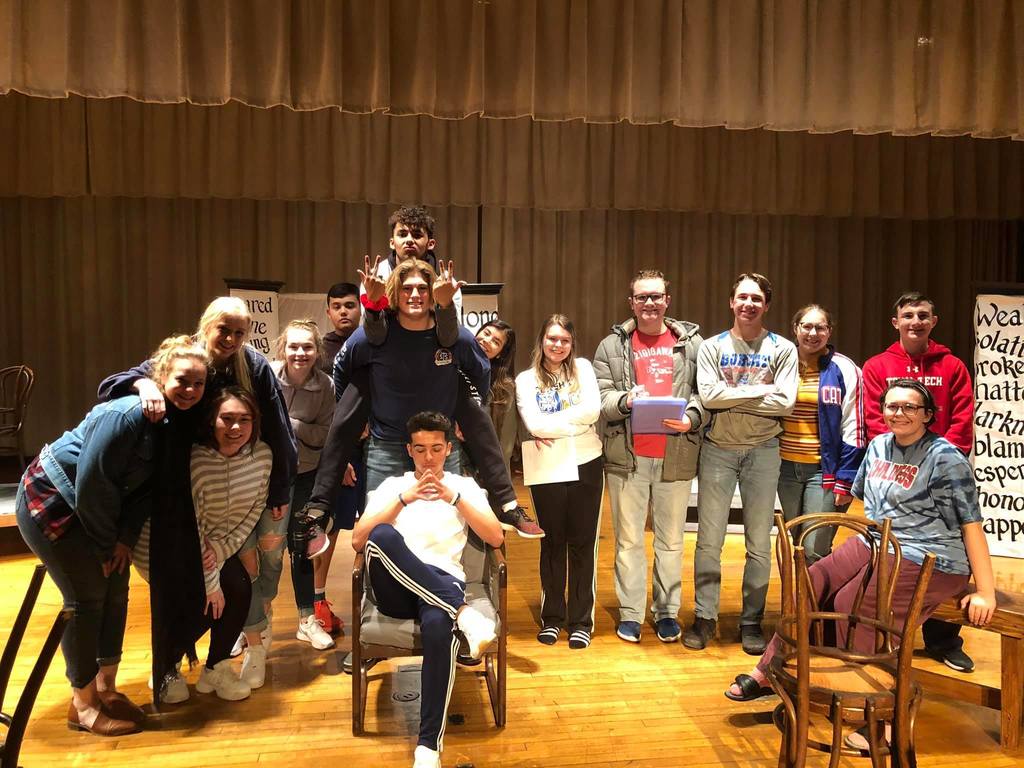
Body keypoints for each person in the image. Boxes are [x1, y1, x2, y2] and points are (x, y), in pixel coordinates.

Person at [724, 380, 996, 752]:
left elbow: (971, 524)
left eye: (910, 407)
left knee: (857, 604)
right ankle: (775, 671)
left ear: (928, 415)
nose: (899, 413)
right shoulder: (880, 445)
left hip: (932, 555)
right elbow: (867, 504)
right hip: (877, 541)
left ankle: (881, 718)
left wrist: (985, 591)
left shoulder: (945, 458)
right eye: (892, 406)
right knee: (812, 580)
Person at [97, 296, 297, 699]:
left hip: (224, 489)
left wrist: (278, 487)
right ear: (206, 325)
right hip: (176, 490)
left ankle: (221, 662)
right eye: (224, 329)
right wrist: (145, 384)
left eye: (239, 332)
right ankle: (167, 666)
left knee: (241, 578)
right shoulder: (186, 358)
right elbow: (109, 386)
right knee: (180, 585)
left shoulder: (253, 366)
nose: (231, 339)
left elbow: (278, 429)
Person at [15, 335, 209, 735]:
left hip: (99, 511)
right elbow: (92, 486)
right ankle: (82, 704)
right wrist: (106, 545)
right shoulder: (127, 414)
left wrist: (123, 540)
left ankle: (106, 688)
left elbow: (146, 492)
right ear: (161, 377)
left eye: (198, 383)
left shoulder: (174, 423)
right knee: (86, 598)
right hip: (53, 499)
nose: (190, 390)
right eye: (182, 380)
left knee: (117, 590)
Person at [352, 411, 503, 768]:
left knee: (438, 625)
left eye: (436, 448)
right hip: (394, 588)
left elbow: (496, 537)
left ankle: (428, 747)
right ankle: (464, 613)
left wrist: (455, 498)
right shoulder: (392, 486)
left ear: (448, 448)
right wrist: (404, 499)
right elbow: (359, 541)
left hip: (442, 581)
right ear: (409, 450)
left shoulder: (465, 487)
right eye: (420, 449)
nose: (429, 458)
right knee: (382, 534)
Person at [861, 291, 977, 673]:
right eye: (908, 315)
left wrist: (941, 461)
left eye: (923, 315)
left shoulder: (952, 365)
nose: (916, 321)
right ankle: (885, 636)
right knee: (900, 552)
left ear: (933, 321)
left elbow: (962, 416)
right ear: (896, 322)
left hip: (942, 473)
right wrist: (902, 458)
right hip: (898, 471)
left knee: (947, 548)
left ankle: (944, 641)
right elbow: (876, 418)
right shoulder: (877, 365)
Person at [686, 273, 798, 655]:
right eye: (742, 297)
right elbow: (709, 397)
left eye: (756, 299)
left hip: (764, 450)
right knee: (708, 541)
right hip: (717, 450)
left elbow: (785, 403)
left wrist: (731, 393)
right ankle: (705, 617)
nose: (749, 304)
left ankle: (751, 620)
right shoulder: (711, 347)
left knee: (759, 544)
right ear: (731, 302)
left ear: (766, 305)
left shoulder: (783, 348)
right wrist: (762, 389)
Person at [593, 269, 705, 644]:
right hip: (627, 458)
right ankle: (630, 613)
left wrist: (692, 417)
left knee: (671, 542)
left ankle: (667, 611)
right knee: (628, 542)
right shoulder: (611, 346)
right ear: (632, 303)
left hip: (676, 456)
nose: (650, 303)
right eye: (642, 297)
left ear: (667, 301)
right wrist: (625, 400)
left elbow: (704, 393)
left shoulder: (692, 344)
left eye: (656, 296)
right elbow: (601, 397)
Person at [516, 314, 603, 649]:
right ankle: (552, 618)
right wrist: (573, 425)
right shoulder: (526, 380)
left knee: (582, 543)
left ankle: (581, 621)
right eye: (552, 338)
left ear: (572, 343)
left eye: (564, 340)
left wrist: (554, 424)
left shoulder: (583, 368)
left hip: (587, 463)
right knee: (552, 543)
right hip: (548, 467)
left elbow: (593, 411)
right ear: (542, 341)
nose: (558, 345)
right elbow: (534, 424)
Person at [192, 388, 273, 701]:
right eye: (226, 419)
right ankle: (166, 665)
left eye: (244, 419)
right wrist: (211, 581)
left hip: (219, 548)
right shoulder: (197, 460)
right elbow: (194, 524)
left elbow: (254, 511)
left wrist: (221, 552)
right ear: (212, 420)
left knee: (239, 587)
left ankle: (216, 667)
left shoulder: (262, 456)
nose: (235, 427)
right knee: (202, 601)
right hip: (189, 549)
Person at [268, 321, 339, 652]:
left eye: (307, 347)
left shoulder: (326, 385)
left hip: (307, 474)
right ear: (283, 348)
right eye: (293, 346)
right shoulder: (268, 375)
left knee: (301, 549)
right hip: (267, 476)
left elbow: (325, 435)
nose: (300, 353)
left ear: (317, 351)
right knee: (265, 550)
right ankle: (254, 623)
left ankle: (307, 620)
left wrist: (288, 423)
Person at [776, 304, 866, 564]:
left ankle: (816, 592)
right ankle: (798, 592)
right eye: (806, 326)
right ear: (795, 329)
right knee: (796, 544)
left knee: (815, 547)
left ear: (829, 332)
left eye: (820, 327)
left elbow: (854, 426)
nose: (812, 333)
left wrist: (846, 479)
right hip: (784, 468)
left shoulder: (845, 368)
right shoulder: (782, 362)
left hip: (823, 471)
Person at [317, 282, 366, 635]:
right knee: (329, 529)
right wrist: (340, 455)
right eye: (337, 306)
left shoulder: (373, 342)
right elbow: (321, 409)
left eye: (350, 305)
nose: (344, 311)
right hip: (339, 453)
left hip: (377, 447)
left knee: (379, 526)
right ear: (329, 311)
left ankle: (376, 598)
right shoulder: (319, 351)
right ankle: (318, 602)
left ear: (361, 308)